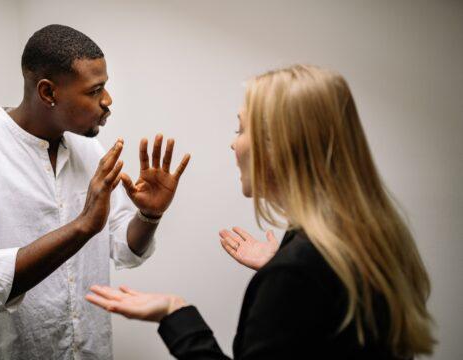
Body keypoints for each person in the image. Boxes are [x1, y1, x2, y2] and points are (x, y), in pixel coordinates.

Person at [86, 65, 436, 359]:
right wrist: (286, 262)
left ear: (278, 145)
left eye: (240, 129)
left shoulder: (297, 272)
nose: (233, 143)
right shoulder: (369, 238)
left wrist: (175, 313)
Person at [0, 24, 190, 359]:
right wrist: (80, 228)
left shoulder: (90, 152)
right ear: (49, 93)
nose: (107, 101)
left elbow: (123, 248)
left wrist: (149, 215)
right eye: (95, 91)